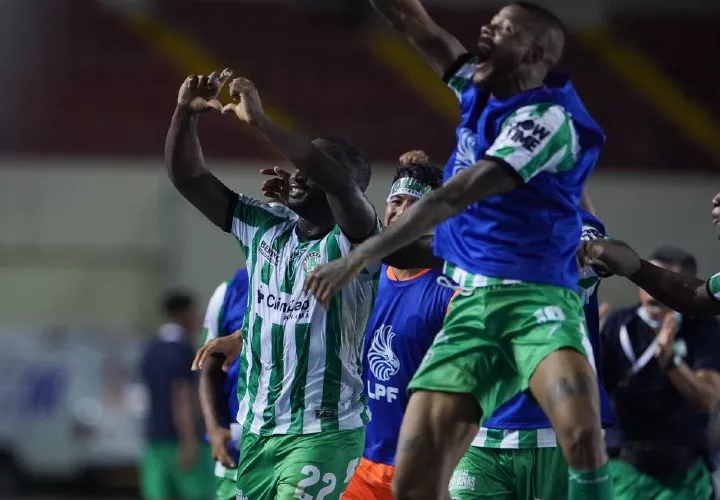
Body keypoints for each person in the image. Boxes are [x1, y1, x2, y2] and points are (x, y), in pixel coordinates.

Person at [305, 2, 613, 498]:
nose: (488, 27)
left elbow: (454, 194)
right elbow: (416, 24)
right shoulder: (478, 88)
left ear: (534, 52)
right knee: (414, 480)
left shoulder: (548, 119)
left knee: (580, 435)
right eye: (490, 20)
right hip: (473, 305)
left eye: (505, 27)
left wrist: (359, 256)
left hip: (537, 300)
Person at [166, 70, 382, 500]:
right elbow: (191, 180)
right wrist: (184, 116)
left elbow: (338, 184)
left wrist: (263, 122)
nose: (298, 169)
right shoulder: (266, 226)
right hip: (257, 433)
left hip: (323, 434)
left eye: (311, 163)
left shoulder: (357, 241)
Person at [449, 208, 615, 500]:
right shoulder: (477, 222)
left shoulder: (575, 224)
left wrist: (588, 249)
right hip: (481, 430)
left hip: (552, 431)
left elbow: (604, 258)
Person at [343, 151, 455, 500]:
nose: (399, 211)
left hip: (423, 468)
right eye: (395, 201)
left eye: (413, 204)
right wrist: (241, 338)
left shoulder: (449, 290)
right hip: (357, 463)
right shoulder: (364, 277)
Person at [599, 245, 720, 499]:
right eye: (647, 283)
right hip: (625, 473)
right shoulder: (619, 324)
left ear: (683, 289)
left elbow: (707, 399)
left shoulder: (704, 328)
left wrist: (670, 361)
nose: (652, 294)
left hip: (684, 478)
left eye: (663, 286)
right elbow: (594, 396)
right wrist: (586, 349)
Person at [581, 191, 720, 318]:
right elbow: (694, 296)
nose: (716, 200)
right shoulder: (621, 323)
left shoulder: (707, 333)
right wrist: (636, 267)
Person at [139, 291, 213, 500]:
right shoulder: (182, 351)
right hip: (180, 440)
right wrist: (189, 440)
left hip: (154, 440)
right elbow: (181, 396)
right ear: (183, 313)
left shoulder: (151, 349)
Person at [198, 269, 250, 500]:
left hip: (296, 440)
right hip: (236, 446)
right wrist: (213, 429)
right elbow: (208, 370)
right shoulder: (230, 292)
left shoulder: (314, 278)